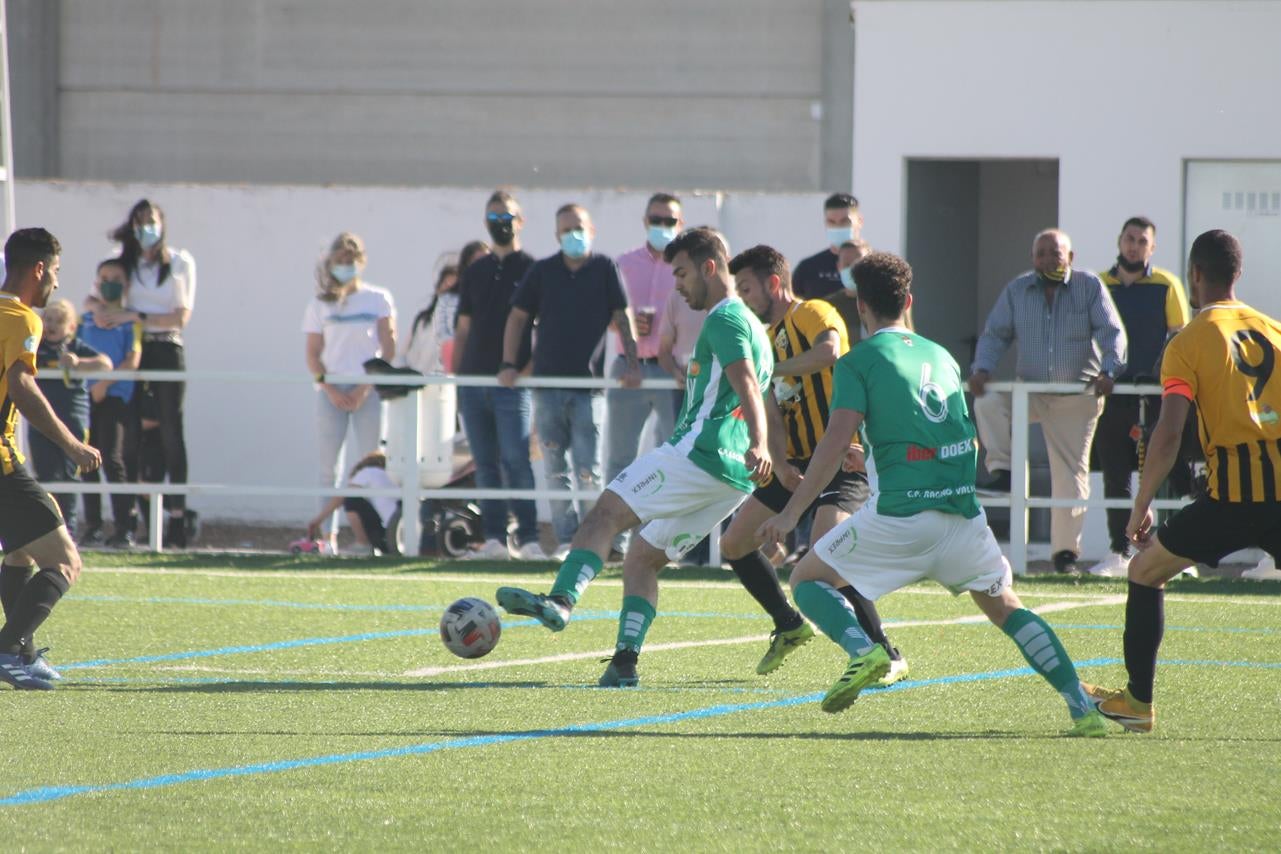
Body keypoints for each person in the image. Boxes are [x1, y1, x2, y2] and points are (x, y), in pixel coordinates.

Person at [757, 251, 1107, 737]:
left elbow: (835, 443)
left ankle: (865, 650)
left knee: (806, 578)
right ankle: (1080, 705)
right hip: (962, 517)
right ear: (909, 302)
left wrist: (790, 512)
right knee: (1008, 607)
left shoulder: (858, 362)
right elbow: (961, 440)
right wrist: (876, 461)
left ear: (861, 306)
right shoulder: (940, 355)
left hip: (900, 519)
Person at [495, 227, 774, 687]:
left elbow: (746, 383)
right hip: (733, 481)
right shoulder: (756, 327)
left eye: (682, 274)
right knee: (642, 557)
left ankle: (562, 600)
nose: (677, 286)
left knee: (604, 513)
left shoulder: (725, 319)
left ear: (709, 267)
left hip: (697, 455)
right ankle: (625, 662)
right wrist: (765, 451)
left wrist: (761, 444)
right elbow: (761, 394)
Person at [1086, 230, 1281, 734]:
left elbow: (1169, 432)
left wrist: (1141, 504)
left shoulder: (1189, 341)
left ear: (1195, 275)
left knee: (1145, 572)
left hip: (1230, 499)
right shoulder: (1276, 331)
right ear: (1236, 273)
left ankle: (1138, 703)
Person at [718, 245, 908, 684]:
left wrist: (771, 370)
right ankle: (788, 623)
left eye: (746, 288)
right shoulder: (763, 338)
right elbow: (772, 411)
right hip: (797, 464)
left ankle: (883, 651)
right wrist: (780, 462)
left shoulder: (813, 312)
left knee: (829, 552)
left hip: (840, 457)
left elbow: (830, 353)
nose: (743, 298)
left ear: (773, 283)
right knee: (734, 544)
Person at [968, 229, 1127, 574]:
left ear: (1070, 257)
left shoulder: (1088, 287)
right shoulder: (1018, 289)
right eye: (1040, 254)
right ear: (1032, 259)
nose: (1046, 260)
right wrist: (981, 369)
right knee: (988, 401)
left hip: (1076, 395)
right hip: (1032, 392)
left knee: (1069, 475)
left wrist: (1109, 372)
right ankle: (1003, 469)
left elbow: (1111, 333)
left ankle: (1064, 555)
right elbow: (996, 334)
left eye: (1054, 253)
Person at [500, 202, 640, 558]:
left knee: (588, 470)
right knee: (554, 470)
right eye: (565, 229)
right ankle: (566, 541)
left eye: (578, 227)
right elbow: (517, 317)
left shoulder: (604, 268)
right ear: (556, 235)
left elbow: (622, 316)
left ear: (591, 231)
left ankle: (593, 542)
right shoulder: (543, 270)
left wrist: (633, 364)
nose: (572, 235)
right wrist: (508, 363)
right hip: (546, 388)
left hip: (588, 389)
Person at [0, 227, 102, 690]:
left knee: (20, 550)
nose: (56, 284)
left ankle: (21, 653)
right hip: (1, 463)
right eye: (55, 272)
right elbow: (22, 386)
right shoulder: (23, 319)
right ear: (38, 268)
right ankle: (7, 649)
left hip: (7, 458)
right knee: (65, 563)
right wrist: (72, 445)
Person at [1088, 217, 1189, 577]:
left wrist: (1161, 375)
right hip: (1114, 393)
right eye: (1129, 239)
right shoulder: (1100, 284)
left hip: (1157, 394)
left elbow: (1178, 333)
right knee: (1115, 473)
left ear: (1152, 247)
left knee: (1168, 470)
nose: (1134, 246)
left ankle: (1174, 552)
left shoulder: (1166, 284)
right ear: (1119, 241)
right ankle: (1119, 551)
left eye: (1142, 240)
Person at [93, 199, 197, 547]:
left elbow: (179, 317)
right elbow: (99, 298)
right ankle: (138, 517)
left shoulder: (180, 261)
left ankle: (178, 519)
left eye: (150, 221)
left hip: (166, 347)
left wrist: (136, 317)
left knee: (171, 429)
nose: (145, 228)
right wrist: (105, 313)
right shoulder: (124, 260)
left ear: (162, 223)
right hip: (132, 347)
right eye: (139, 222)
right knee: (130, 430)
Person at [452, 192, 543, 560]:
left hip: (512, 387)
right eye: (493, 217)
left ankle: (530, 539)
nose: (499, 223)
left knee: (517, 461)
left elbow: (545, 329)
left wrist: (524, 372)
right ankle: (493, 539)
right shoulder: (475, 270)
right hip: (474, 384)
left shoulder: (534, 269)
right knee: (484, 464)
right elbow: (462, 329)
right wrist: (457, 378)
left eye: (506, 216)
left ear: (520, 221)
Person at [302, 232, 396, 551]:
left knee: (372, 466)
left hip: (367, 392)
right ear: (330, 264)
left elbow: (388, 347)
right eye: (340, 261)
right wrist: (329, 388)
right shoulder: (319, 304)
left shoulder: (378, 298)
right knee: (329, 468)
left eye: (351, 260)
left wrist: (364, 387)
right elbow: (313, 353)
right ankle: (326, 538)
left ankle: (373, 536)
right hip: (331, 394)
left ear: (362, 262)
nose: (345, 266)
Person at [605, 193, 686, 529]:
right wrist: (624, 325)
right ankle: (612, 535)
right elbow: (604, 315)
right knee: (620, 457)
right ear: (645, 222)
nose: (662, 226)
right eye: (656, 220)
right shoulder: (623, 263)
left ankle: (655, 535)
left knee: (671, 458)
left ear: (680, 224)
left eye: (669, 221)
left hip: (672, 369)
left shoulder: (685, 268)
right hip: (629, 366)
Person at [28, 299, 112, 536]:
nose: (52, 325)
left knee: (69, 476)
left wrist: (79, 363)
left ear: (72, 327)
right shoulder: (35, 346)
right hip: (41, 420)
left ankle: (69, 532)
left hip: (72, 420)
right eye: (49, 319)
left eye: (59, 321)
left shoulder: (75, 346)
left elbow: (105, 363)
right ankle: (46, 531)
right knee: (45, 476)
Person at [77, 259, 144, 547]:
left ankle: (123, 527)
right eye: (104, 277)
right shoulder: (86, 319)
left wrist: (105, 383)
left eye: (116, 277)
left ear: (127, 284)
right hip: (84, 398)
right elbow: (74, 351)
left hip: (115, 397)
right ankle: (91, 525)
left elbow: (133, 359)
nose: (109, 282)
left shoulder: (131, 322)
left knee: (112, 459)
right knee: (85, 458)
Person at [792, 193, 865, 338]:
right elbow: (795, 315)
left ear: (859, 221)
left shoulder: (877, 266)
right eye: (832, 222)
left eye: (845, 221)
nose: (838, 227)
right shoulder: (808, 268)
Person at [307, 450, 399, 557]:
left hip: (387, 536)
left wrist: (318, 520)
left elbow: (342, 496)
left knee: (351, 500)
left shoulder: (369, 471)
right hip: (397, 536)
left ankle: (362, 544)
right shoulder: (390, 477)